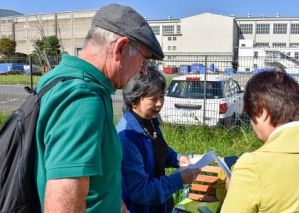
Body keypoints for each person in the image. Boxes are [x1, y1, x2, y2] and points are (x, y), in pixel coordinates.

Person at [34, 3, 164, 213]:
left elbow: (95, 182)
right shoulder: (83, 100)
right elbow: (63, 206)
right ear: (120, 48)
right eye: (143, 61)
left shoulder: (61, 79)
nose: (142, 72)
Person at [221, 71, 299, 212]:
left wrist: (235, 189)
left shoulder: (253, 167)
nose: (251, 124)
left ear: (263, 113)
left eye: (250, 116)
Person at [116, 65, 200, 213]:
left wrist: (177, 159)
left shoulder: (150, 121)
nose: (159, 103)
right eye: (153, 98)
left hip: (160, 203)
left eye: (161, 96)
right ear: (134, 100)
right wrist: (180, 179)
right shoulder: (127, 137)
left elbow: (160, 150)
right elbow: (141, 191)